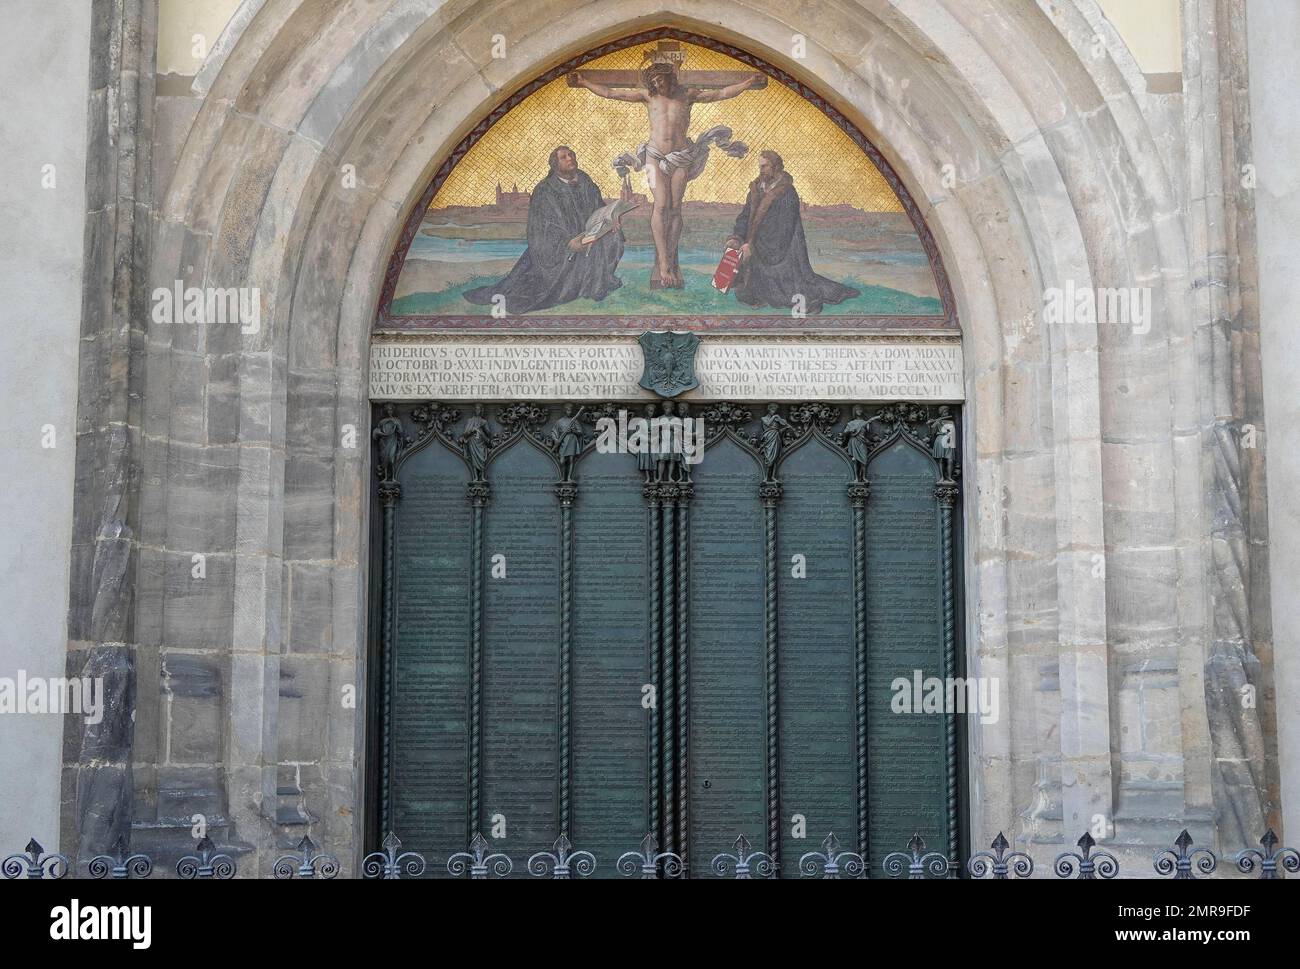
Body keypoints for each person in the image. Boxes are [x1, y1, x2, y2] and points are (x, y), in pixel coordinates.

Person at [570, 62, 762, 288]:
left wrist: (748, 83)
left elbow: (720, 93)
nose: (658, 85)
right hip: (654, 157)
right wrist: (583, 82)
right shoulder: (648, 96)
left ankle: (670, 257)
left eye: (661, 81)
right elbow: (611, 93)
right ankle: (663, 262)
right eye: (654, 82)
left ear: (671, 78)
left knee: (674, 208)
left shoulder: (687, 95)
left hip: (681, 157)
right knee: (660, 206)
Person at [463, 147, 624, 314]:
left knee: (615, 236)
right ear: (555, 165)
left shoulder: (584, 180)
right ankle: (578, 286)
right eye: (564, 157)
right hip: (557, 247)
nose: (570, 159)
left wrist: (611, 220)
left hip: (589, 235)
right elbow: (543, 227)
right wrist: (568, 242)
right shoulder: (544, 190)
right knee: (535, 288)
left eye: (571, 155)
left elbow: (599, 207)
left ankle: (596, 285)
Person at [725, 150, 860, 314]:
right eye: (759, 166)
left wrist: (752, 245)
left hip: (783, 251)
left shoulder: (787, 193)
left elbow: (784, 228)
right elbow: (746, 216)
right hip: (756, 245)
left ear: (775, 167)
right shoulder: (756, 190)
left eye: (764, 166)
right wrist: (737, 237)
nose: (761, 170)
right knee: (739, 271)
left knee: (788, 294)